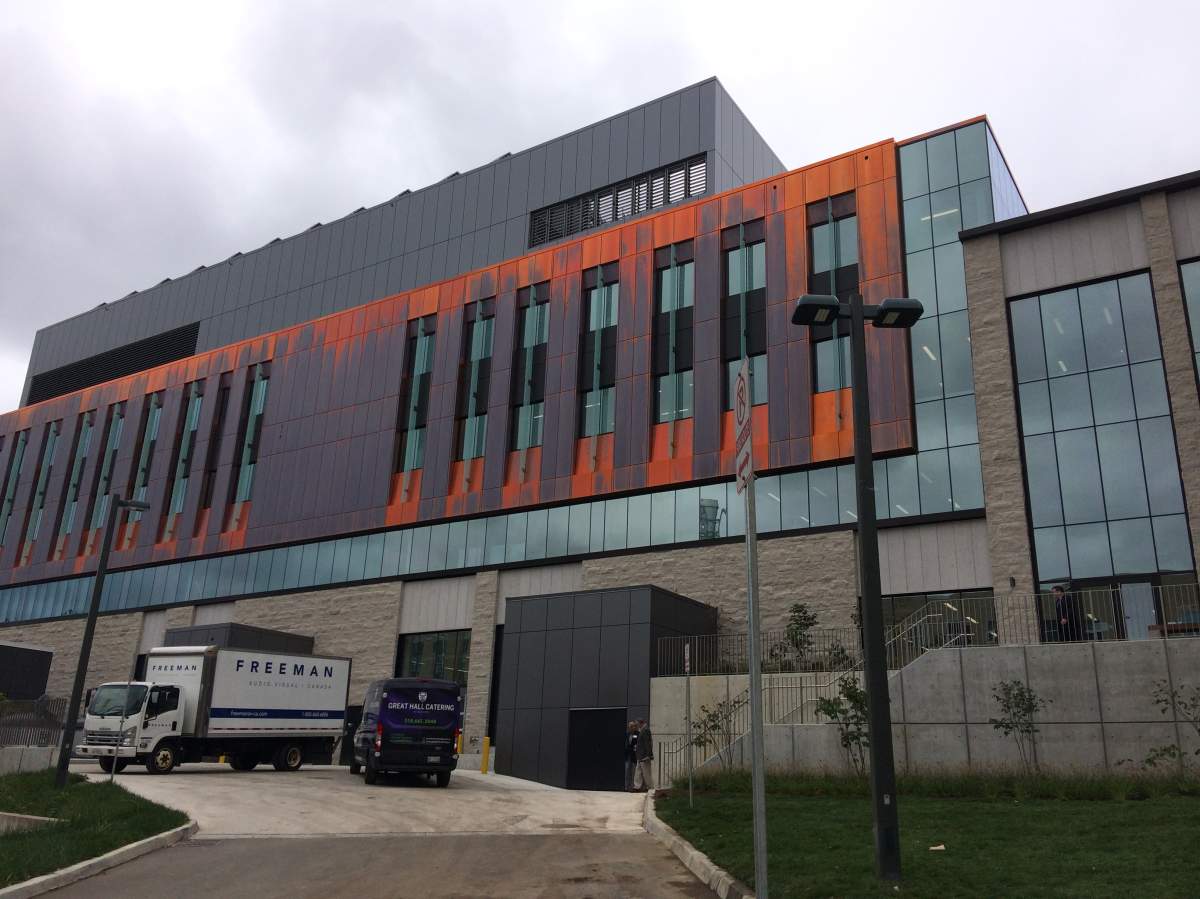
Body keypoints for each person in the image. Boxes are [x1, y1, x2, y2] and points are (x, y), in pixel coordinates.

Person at [633, 718, 654, 792]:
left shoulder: (645, 730)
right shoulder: (642, 730)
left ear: (640, 723)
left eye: (637, 724)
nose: (636, 726)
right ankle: (637, 787)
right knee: (638, 772)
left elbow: (648, 743)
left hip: (644, 756)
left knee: (646, 772)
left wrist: (649, 755)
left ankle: (650, 787)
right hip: (640, 756)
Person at [624, 721, 639, 792]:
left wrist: (634, 749)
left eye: (632, 726)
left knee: (634, 772)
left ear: (634, 727)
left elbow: (636, 744)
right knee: (627, 771)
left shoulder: (637, 734)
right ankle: (626, 787)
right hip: (627, 756)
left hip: (634, 756)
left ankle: (633, 787)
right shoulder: (627, 734)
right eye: (630, 726)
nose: (631, 727)